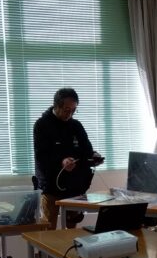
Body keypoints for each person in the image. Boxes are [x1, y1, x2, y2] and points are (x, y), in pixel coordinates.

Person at [33, 87, 104, 229]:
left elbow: (87, 149)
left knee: (72, 229)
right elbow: (42, 156)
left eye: (73, 110)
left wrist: (93, 157)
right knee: (48, 229)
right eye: (67, 110)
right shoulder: (42, 125)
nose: (70, 114)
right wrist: (62, 161)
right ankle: (47, 245)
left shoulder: (76, 125)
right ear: (56, 106)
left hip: (74, 186)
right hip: (50, 186)